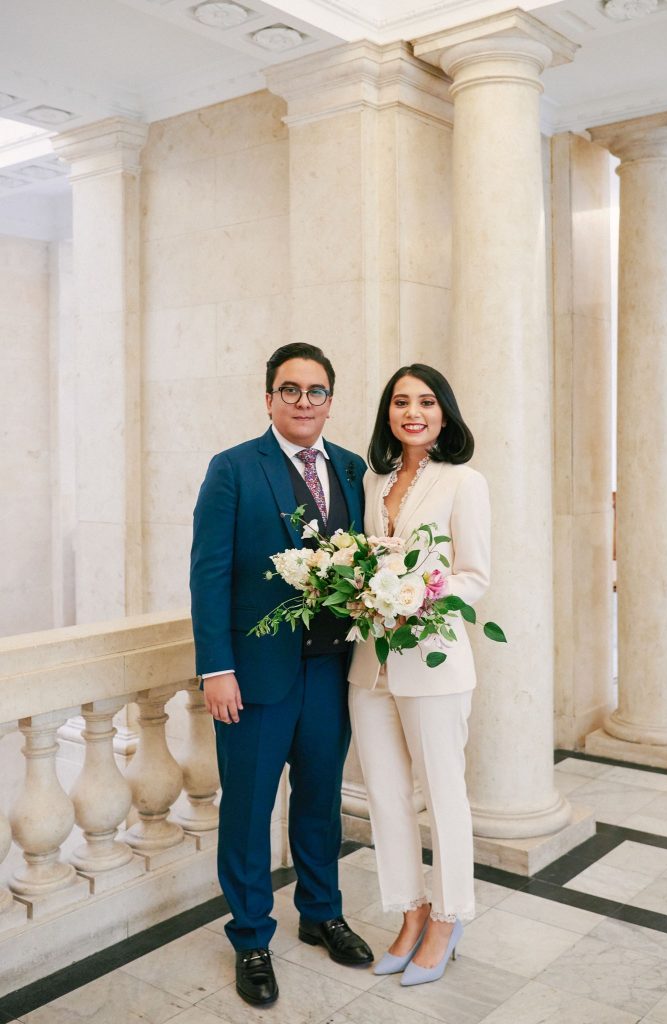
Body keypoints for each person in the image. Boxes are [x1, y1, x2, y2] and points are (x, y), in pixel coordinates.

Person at [190, 343, 372, 1008]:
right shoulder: (234, 469)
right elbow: (208, 573)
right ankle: (250, 938)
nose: (303, 402)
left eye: (316, 391)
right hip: (255, 678)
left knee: (321, 800)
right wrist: (216, 667)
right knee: (247, 810)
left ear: (330, 400)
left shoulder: (352, 470)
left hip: (330, 672)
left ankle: (321, 912)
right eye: (290, 390)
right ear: (268, 398)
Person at [348, 363, 490, 987]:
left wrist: (415, 591)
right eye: (401, 401)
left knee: (443, 794)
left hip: (435, 663)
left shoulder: (465, 483)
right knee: (385, 795)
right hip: (369, 669)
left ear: (444, 412)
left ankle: (449, 917)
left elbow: (475, 577)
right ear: (387, 413)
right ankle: (411, 912)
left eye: (427, 401)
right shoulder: (373, 482)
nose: (413, 411)